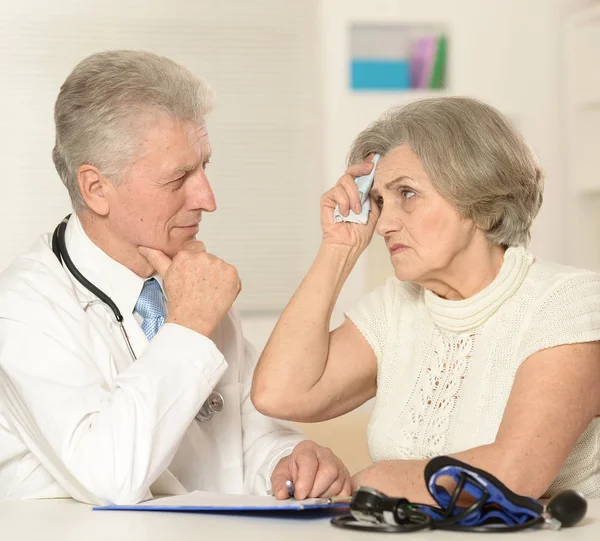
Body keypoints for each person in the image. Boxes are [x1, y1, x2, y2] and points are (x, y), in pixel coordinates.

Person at [0, 50, 351, 505]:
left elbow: (248, 434)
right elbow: (108, 477)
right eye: (179, 177)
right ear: (96, 188)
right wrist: (188, 325)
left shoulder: (188, 279)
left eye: (205, 166)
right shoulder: (24, 311)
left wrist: (289, 461)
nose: (207, 198)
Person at [251, 97, 600, 502]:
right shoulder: (395, 307)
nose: (384, 223)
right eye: (379, 200)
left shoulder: (569, 304)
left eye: (407, 194)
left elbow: (513, 474)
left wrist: (370, 482)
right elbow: (279, 394)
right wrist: (338, 248)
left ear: (480, 203)